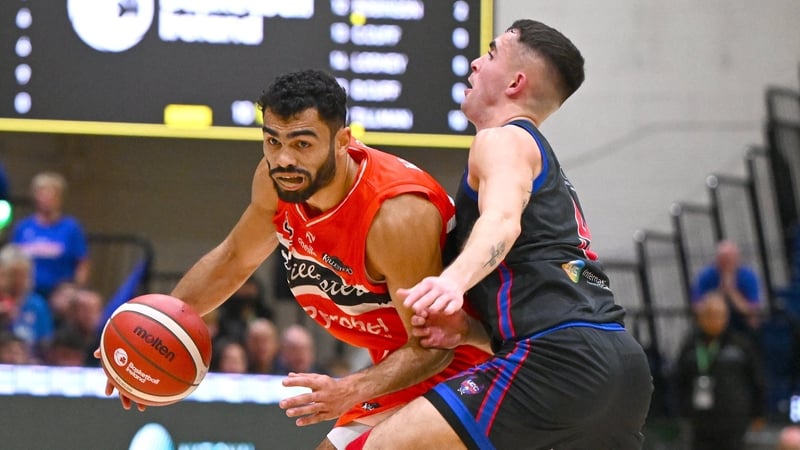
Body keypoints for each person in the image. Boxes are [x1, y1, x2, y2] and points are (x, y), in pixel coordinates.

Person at [96, 69, 489, 449]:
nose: (284, 159)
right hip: (399, 364)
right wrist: (150, 335)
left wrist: (347, 389)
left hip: (468, 363)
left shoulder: (396, 215)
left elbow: (435, 346)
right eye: (273, 142)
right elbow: (234, 258)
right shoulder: (276, 181)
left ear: (343, 141)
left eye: (302, 144)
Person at [350, 19, 653, 449]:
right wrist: (469, 331)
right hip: (622, 368)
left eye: (490, 54)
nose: (475, 62)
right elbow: (541, 285)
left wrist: (451, 282)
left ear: (515, 82)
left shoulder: (503, 141)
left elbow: (503, 220)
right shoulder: (543, 163)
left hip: (558, 358)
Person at [673, 291, 766, 450]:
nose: (713, 319)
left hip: (733, 421)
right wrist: (681, 411)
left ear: (726, 317)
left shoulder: (741, 345)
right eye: (708, 315)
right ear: (700, 317)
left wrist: (759, 412)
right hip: (700, 420)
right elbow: (678, 381)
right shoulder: (690, 346)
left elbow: (757, 380)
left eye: (718, 315)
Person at [10, 172, 90, 300]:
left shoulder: (71, 227)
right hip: (26, 290)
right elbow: (12, 261)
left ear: (60, 198)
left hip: (59, 291)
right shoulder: (23, 227)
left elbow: (82, 264)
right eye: (42, 194)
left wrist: (76, 288)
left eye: (51, 194)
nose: (46, 199)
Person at [692, 239, 762, 335]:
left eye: (729, 259)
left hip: (740, 322)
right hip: (712, 322)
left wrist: (731, 291)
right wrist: (718, 296)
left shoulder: (748, 276)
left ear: (737, 259)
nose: (725, 263)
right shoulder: (706, 275)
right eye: (722, 259)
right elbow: (698, 307)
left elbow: (752, 310)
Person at [0, 243, 54, 362]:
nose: (18, 281)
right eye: (13, 275)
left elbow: (45, 344)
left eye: (23, 275)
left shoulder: (38, 305)